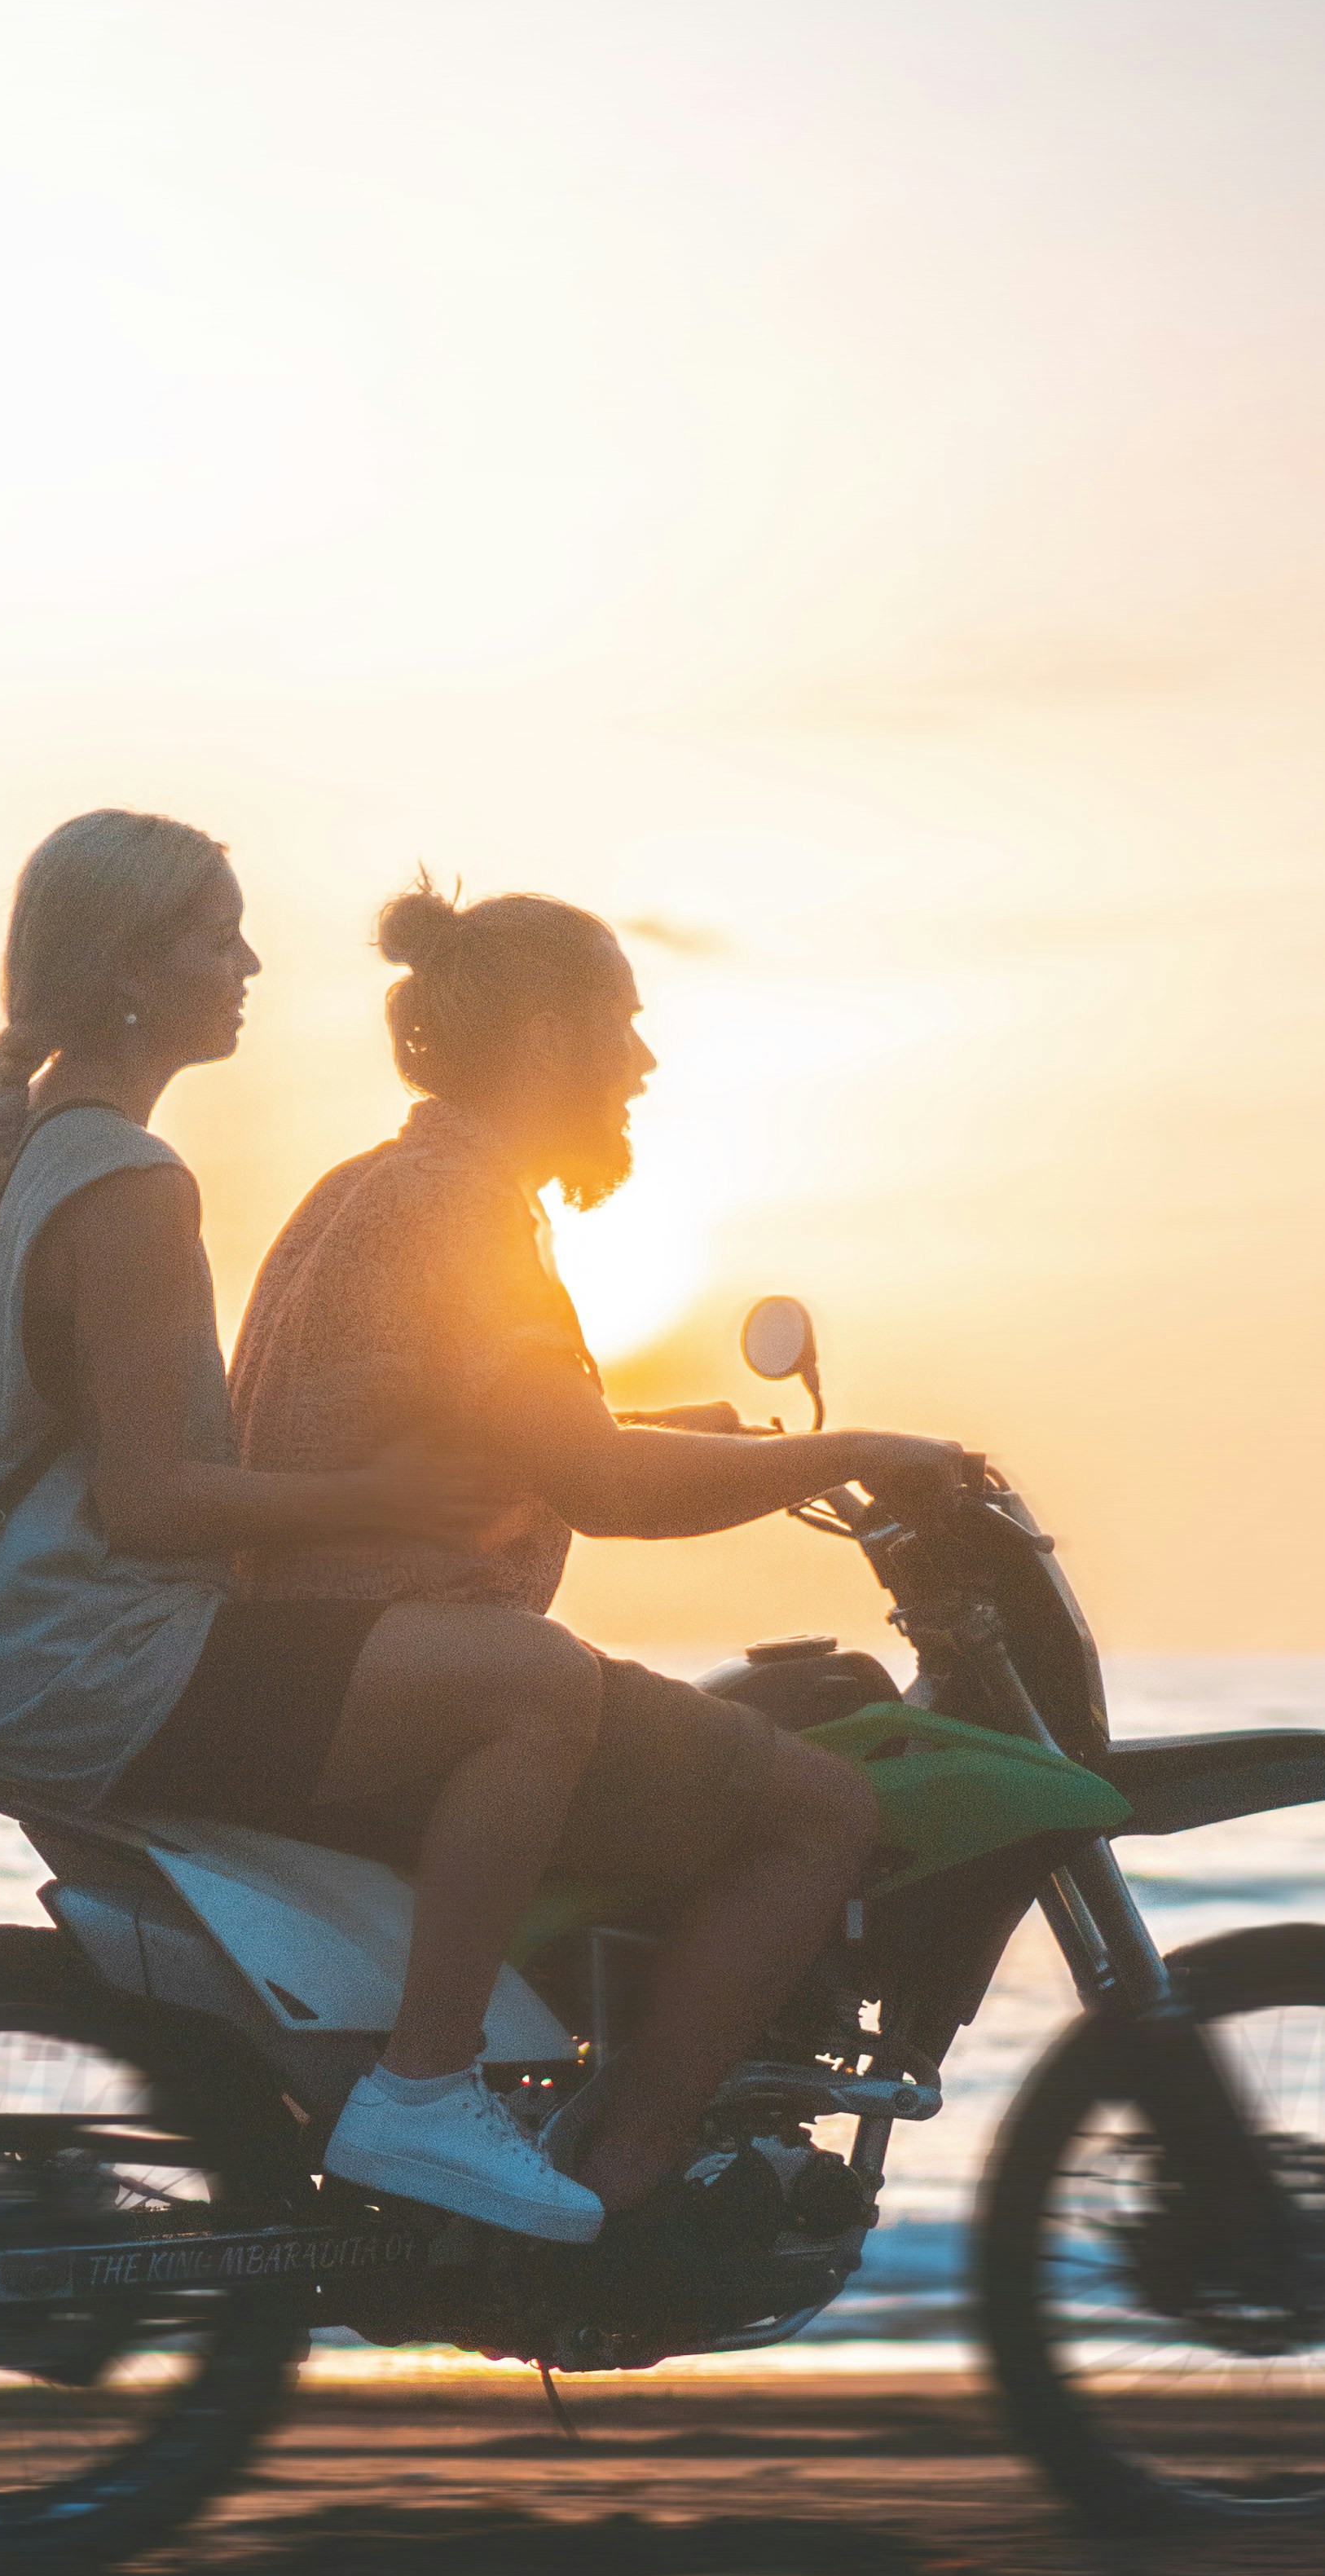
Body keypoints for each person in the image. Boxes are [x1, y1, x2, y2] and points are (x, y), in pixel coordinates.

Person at [0, 808, 621, 2244]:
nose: (250, 962)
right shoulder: (127, 1184)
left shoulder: (23, 1154)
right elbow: (153, 1501)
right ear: (126, 966)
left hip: (4, 1656)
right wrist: (380, 1502)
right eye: (215, 933)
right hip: (95, 1660)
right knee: (537, 1690)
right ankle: (425, 2091)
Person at [225, 877, 965, 2226]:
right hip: (403, 1672)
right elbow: (602, 1482)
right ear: (552, 1039)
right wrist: (848, 1448)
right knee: (820, 1808)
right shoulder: (465, 1209)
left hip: (321, 1664)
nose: (643, 1062)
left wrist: (717, 1433)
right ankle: (626, 2197)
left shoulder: (385, 1184)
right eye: (623, 1026)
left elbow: (518, 1425)